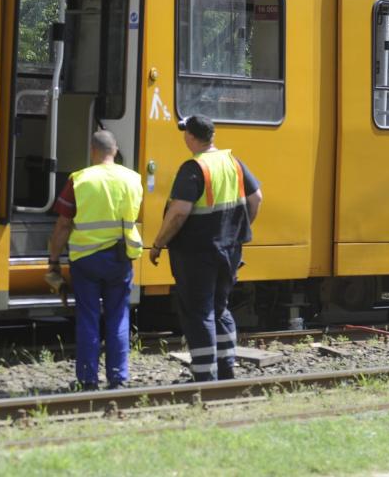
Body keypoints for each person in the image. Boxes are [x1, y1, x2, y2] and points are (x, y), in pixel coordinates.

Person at [149, 115, 263, 382]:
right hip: (229, 251)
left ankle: (204, 378)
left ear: (190, 136)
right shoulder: (232, 162)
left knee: (199, 313)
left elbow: (178, 213)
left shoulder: (194, 167)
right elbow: (256, 198)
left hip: (196, 254)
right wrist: (236, 232)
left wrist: (158, 244)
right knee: (220, 308)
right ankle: (226, 369)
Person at [47, 130, 144, 390]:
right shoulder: (133, 179)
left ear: (93, 150)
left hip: (86, 259)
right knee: (118, 317)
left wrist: (54, 260)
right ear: (115, 150)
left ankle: (88, 380)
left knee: (88, 317)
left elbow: (63, 224)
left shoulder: (80, 180)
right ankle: (118, 378)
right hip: (120, 259)